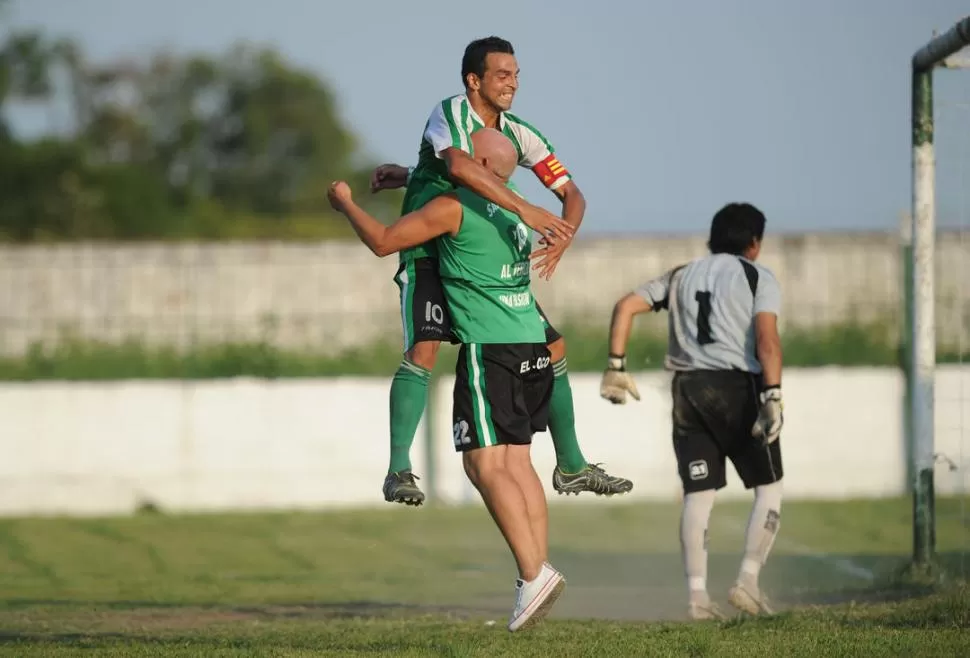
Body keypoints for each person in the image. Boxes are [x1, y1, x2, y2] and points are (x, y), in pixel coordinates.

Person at [371, 35, 632, 506]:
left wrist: (563, 237)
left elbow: (573, 195)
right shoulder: (450, 113)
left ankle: (571, 465)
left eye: (516, 75)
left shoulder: (521, 133)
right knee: (425, 348)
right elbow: (460, 167)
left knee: (552, 345)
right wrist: (528, 210)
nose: (513, 84)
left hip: (481, 254)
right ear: (474, 80)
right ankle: (398, 470)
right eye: (502, 75)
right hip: (430, 247)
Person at [329, 128, 567, 632]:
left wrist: (347, 203)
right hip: (532, 344)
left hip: (492, 350)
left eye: (456, 156)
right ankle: (538, 573)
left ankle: (532, 576)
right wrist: (410, 176)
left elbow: (383, 242)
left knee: (483, 466)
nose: (447, 159)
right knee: (518, 464)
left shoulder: (456, 207)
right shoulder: (517, 207)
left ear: (475, 164)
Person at [600, 202, 785, 620]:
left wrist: (616, 366)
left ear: (712, 238)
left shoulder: (681, 275)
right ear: (754, 244)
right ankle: (748, 582)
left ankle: (698, 598)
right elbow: (767, 341)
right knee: (769, 487)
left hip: (688, 389)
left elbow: (625, 306)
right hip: (738, 387)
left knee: (698, 495)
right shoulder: (757, 276)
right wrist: (772, 394)